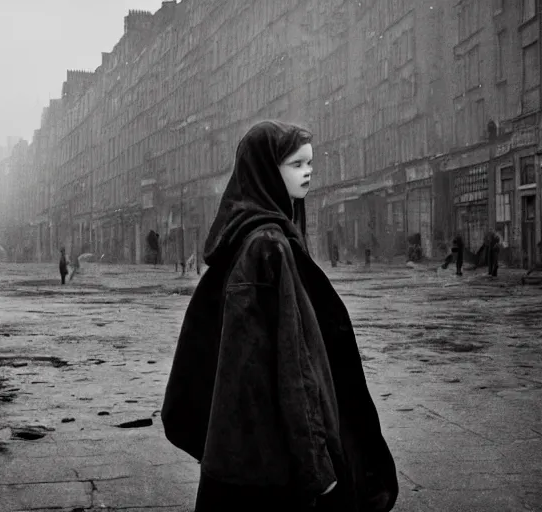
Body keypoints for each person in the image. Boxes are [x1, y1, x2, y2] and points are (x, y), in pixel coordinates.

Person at [161, 121, 398, 511]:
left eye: (310, 163)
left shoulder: (248, 238)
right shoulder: (268, 247)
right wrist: (319, 471)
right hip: (272, 470)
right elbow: (292, 367)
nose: (308, 172)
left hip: (247, 459)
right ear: (266, 171)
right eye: (296, 164)